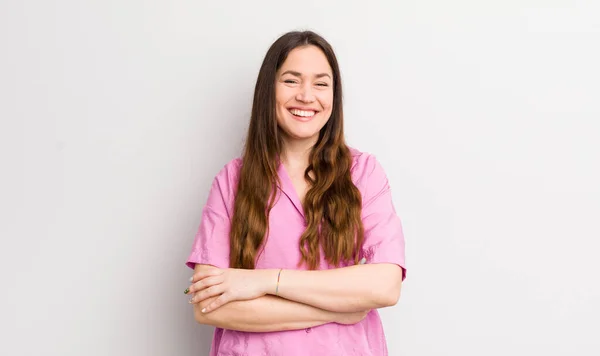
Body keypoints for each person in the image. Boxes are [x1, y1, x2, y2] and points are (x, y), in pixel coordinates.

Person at [184, 30, 407, 356]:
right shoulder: (232, 181)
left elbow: (386, 286)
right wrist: (338, 309)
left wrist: (263, 282)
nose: (306, 95)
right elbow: (209, 307)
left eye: (320, 83)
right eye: (291, 81)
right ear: (268, 90)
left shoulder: (363, 173)